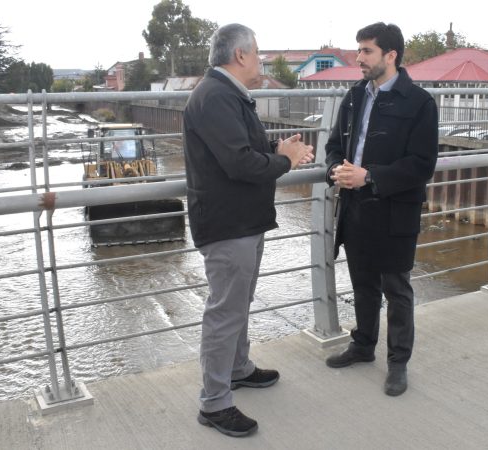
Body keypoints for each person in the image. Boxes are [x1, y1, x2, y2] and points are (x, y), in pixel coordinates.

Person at [183, 23, 314, 437]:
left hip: (242, 220)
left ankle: (238, 369)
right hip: (227, 224)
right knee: (225, 312)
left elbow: (245, 149)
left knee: (238, 305)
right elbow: (239, 163)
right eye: (257, 53)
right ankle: (215, 402)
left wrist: (279, 150)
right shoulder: (215, 97)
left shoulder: (228, 96)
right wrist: (288, 162)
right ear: (240, 55)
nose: (260, 60)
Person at [323, 22, 438, 396]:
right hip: (355, 208)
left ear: (391, 56)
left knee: (397, 290)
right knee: (362, 285)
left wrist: (369, 176)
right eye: (358, 50)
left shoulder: (419, 102)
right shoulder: (355, 96)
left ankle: (398, 363)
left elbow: (422, 164)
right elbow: (334, 146)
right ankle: (362, 345)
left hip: (394, 212)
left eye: (367, 51)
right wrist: (335, 170)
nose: (358, 58)